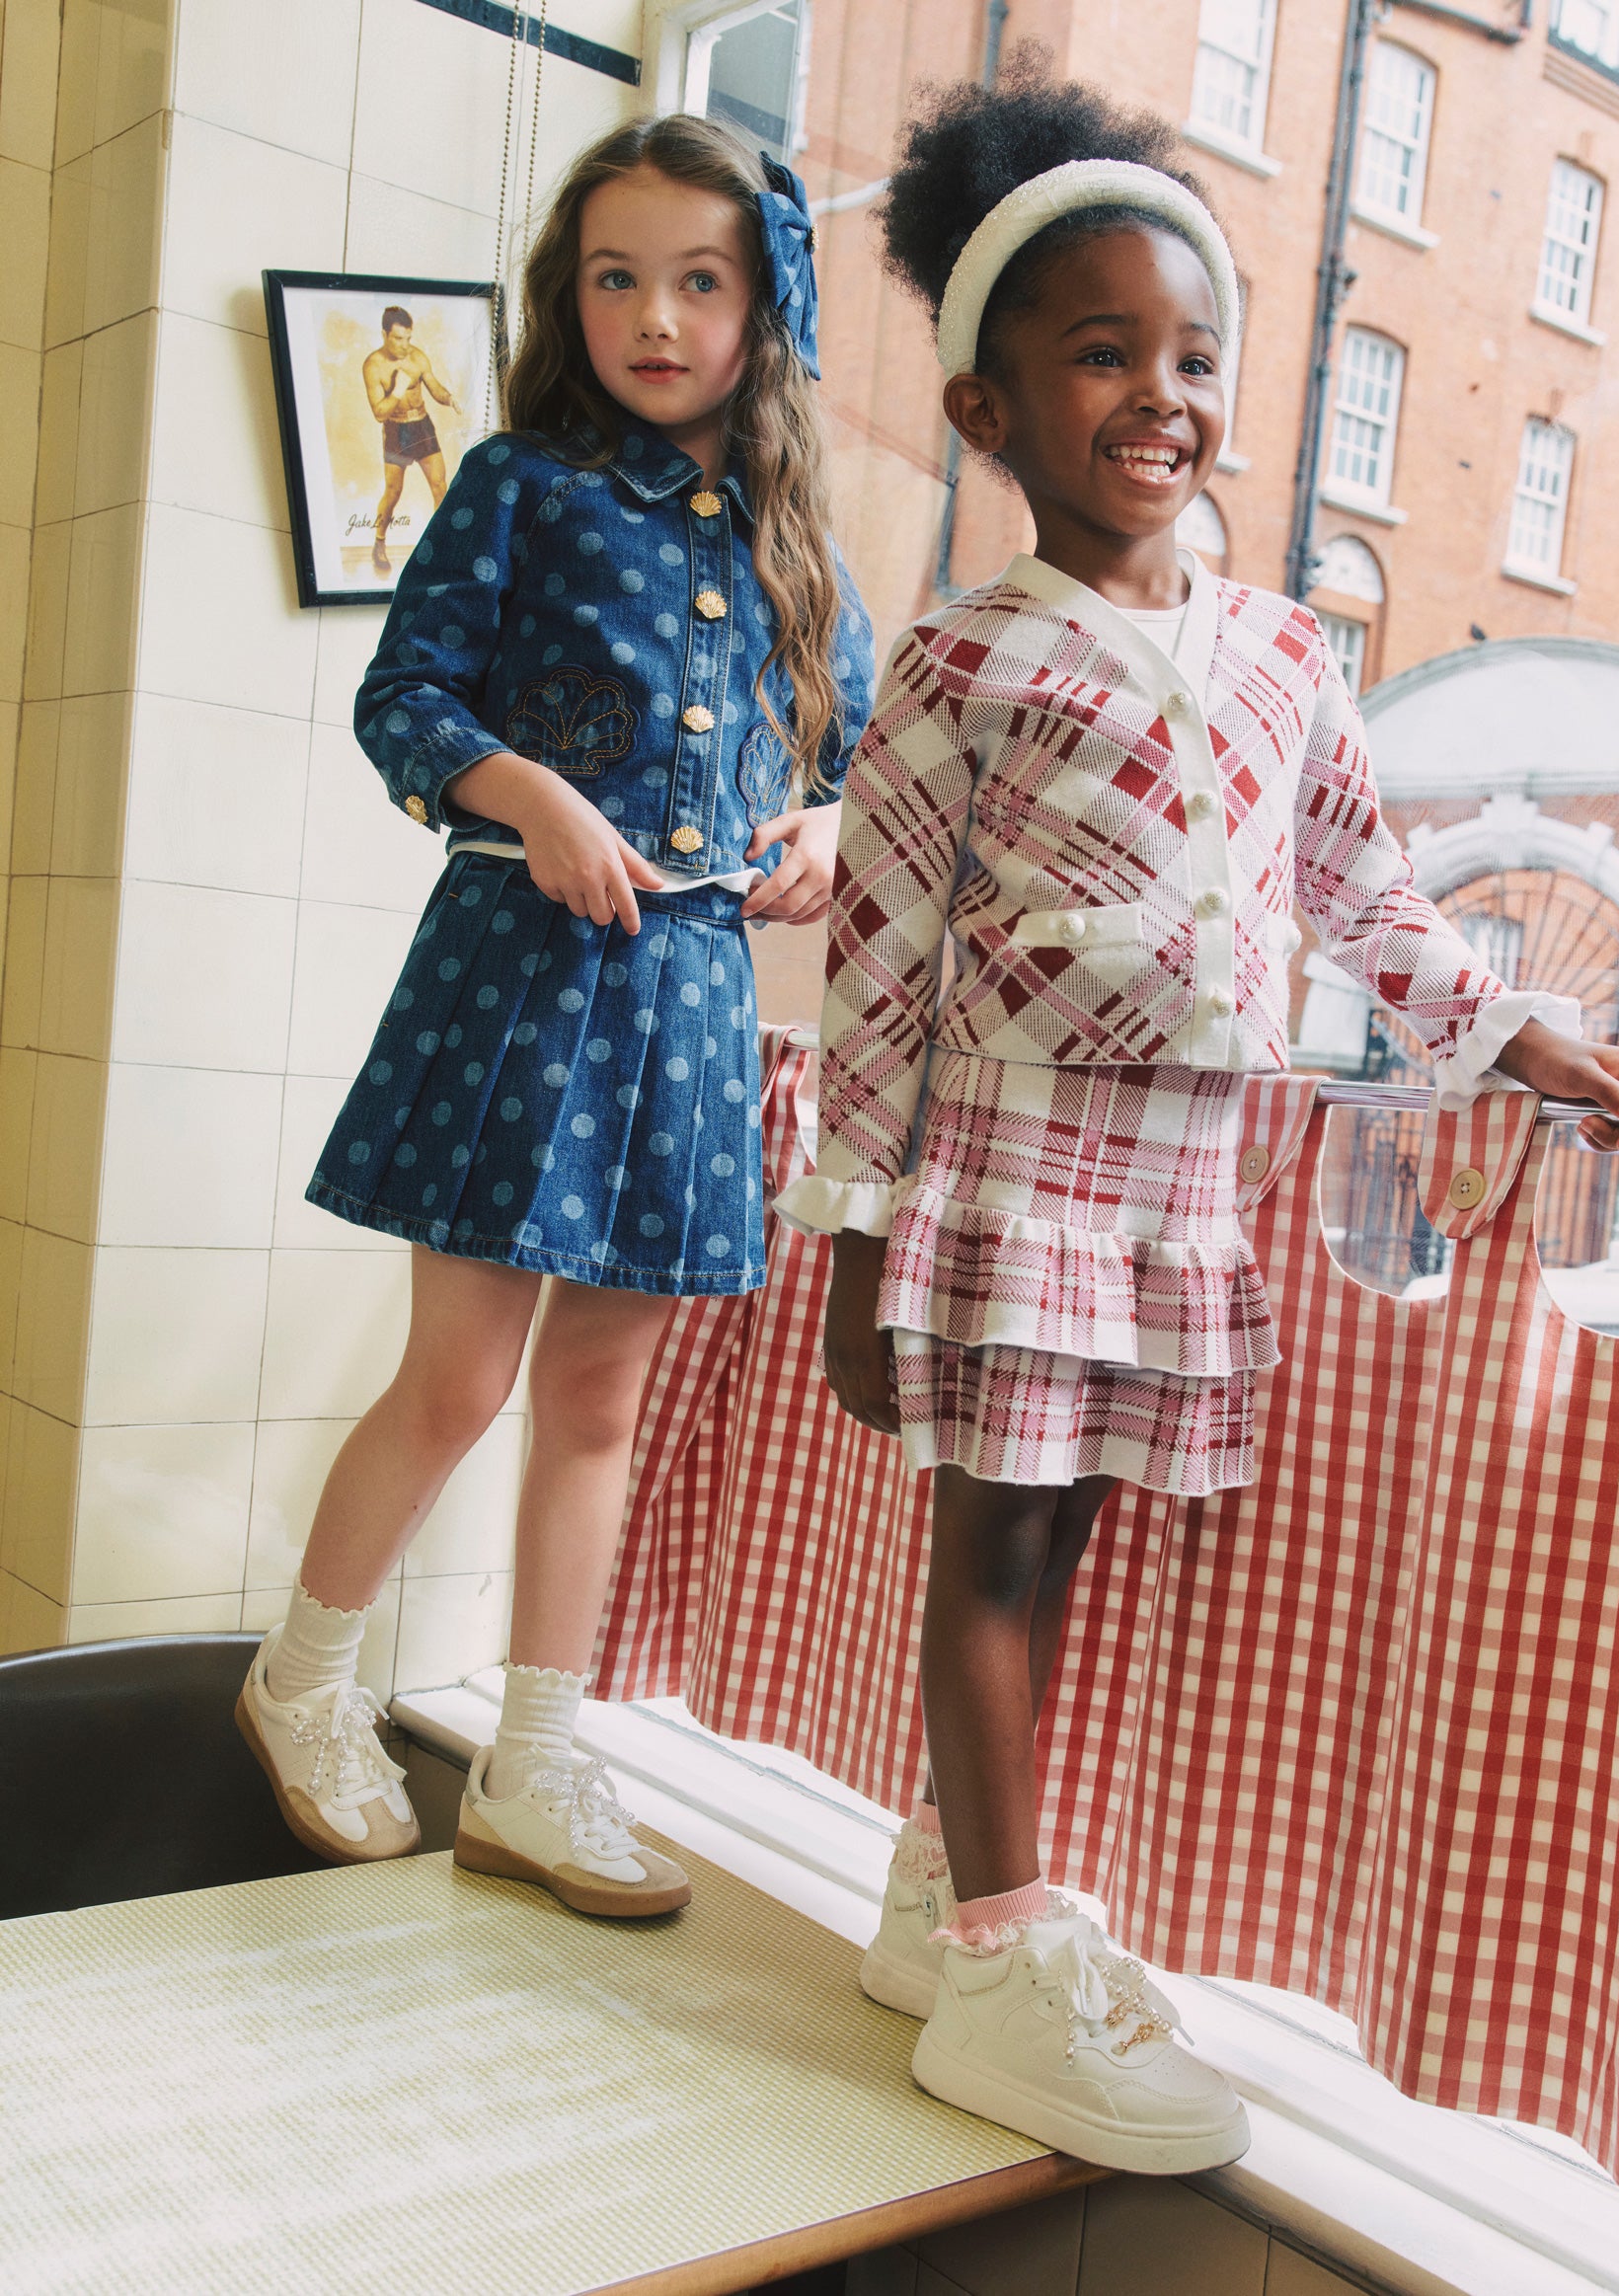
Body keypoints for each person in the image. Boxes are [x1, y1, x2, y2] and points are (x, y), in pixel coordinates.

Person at [776, 59, 1619, 2173]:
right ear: (994, 412)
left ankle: (945, 1883)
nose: (1161, 394)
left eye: (1193, 354)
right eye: (1101, 352)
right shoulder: (963, 663)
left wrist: (1518, 1039)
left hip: (1178, 1190)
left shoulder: (1288, 656)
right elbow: (886, 971)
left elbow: (1363, 894)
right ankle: (1005, 1959)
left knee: (1069, 1528)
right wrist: (852, 1235)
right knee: (991, 1542)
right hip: (1006, 1170)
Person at [238, 115, 873, 1917]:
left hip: (686, 1006)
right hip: (519, 978)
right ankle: (304, 1680)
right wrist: (527, 790)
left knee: (600, 1406)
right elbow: (405, 697)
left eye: (700, 280)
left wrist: (826, 823)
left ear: (766, 304)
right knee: (459, 1377)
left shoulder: (795, 538)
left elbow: (863, 755)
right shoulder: (521, 482)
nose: (657, 317)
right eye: (617, 278)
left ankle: (535, 1758)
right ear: (566, 296)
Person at [363, 305, 462, 574]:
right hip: (396, 431)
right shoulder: (374, 365)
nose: (405, 345)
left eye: (408, 338)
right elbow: (378, 412)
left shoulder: (417, 357)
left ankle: (441, 548)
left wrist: (450, 398)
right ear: (384, 335)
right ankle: (379, 543)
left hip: (421, 426)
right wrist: (397, 389)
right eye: (398, 339)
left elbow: (434, 386)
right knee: (393, 492)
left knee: (440, 486)